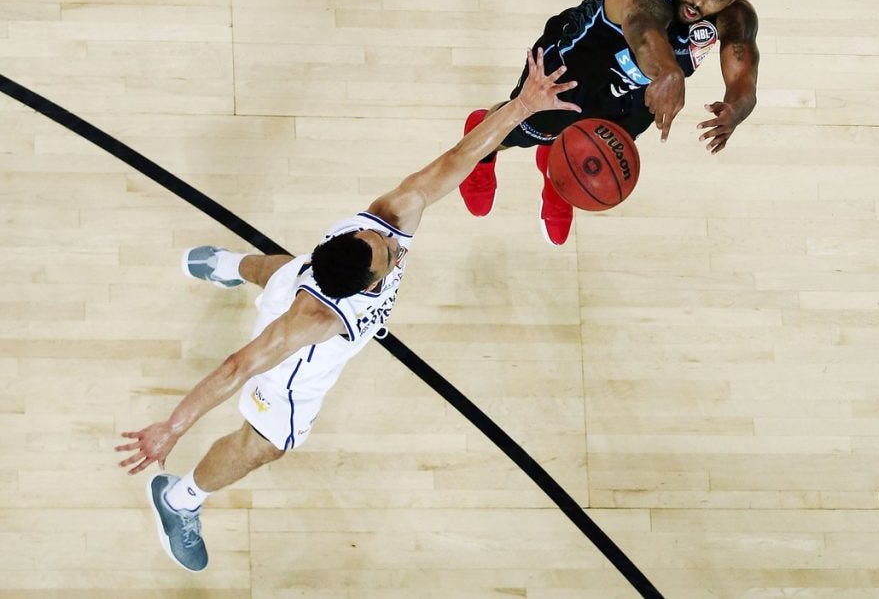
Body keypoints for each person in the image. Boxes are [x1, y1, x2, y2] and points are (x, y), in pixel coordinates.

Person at [115, 49, 580, 573]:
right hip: (293, 364)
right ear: (367, 285)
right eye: (386, 251)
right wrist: (173, 428)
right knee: (267, 443)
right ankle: (179, 500)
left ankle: (227, 265)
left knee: (283, 271)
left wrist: (521, 106)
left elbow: (456, 160)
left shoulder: (383, 218)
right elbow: (238, 367)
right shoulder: (314, 324)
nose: (389, 240)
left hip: (296, 281)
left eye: (379, 238)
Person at [458, 0, 760, 245]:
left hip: (635, 93)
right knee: (517, 131)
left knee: (595, 153)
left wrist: (735, 110)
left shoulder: (735, 17)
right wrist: (669, 71)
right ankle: (482, 143)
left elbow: (744, 81)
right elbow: (644, 29)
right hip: (572, 72)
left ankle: (559, 176)